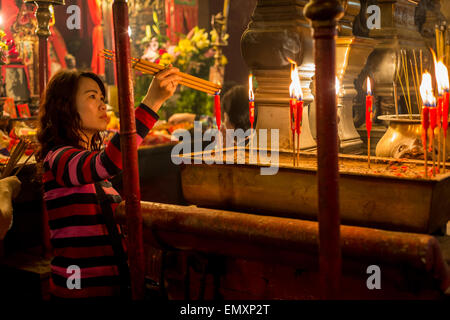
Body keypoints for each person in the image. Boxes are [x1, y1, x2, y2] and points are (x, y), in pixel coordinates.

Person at [37, 67, 180, 300]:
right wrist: (152, 101)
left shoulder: (92, 171)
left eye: (102, 98)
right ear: (65, 106)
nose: (103, 105)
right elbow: (108, 162)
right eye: (92, 97)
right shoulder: (59, 159)